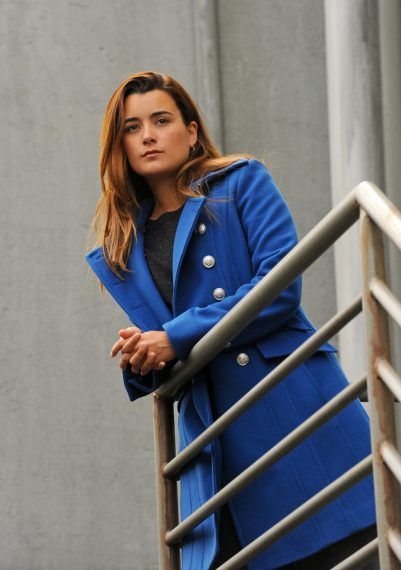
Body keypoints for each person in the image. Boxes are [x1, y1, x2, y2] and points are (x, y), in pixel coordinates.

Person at [85, 71, 378, 569]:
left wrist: (174, 336)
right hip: (215, 442)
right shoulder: (123, 248)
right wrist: (143, 355)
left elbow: (280, 286)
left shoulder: (240, 182)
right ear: (121, 147)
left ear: (192, 131)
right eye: (133, 128)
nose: (149, 135)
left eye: (162, 120)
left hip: (289, 407)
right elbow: (176, 351)